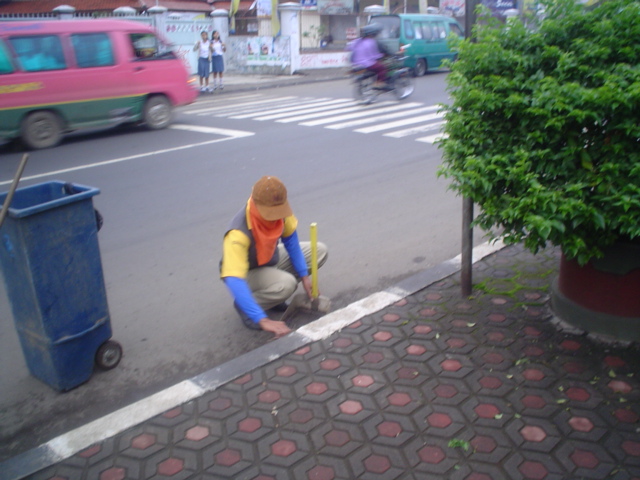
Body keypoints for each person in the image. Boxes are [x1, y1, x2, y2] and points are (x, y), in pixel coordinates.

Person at [220, 176, 328, 338]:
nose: (276, 218)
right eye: (270, 214)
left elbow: (291, 241)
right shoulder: (237, 234)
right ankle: (247, 307)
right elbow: (234, 279)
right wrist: (261, 319)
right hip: (247, 272)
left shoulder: (282, 213)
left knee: (319, 250)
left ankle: (274, 296)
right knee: (286, 284)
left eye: (279, 212)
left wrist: (305, 276)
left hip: (269, 259)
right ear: (256, 205)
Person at [347, 24, 390, 88]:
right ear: (372, 34)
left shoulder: (357, 41)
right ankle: (379, 82)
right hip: (367, 63)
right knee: (382, 68)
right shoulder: (371, 42)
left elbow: (349, 48)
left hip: (356, 63)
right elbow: (375, 55)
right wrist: (382, 56)